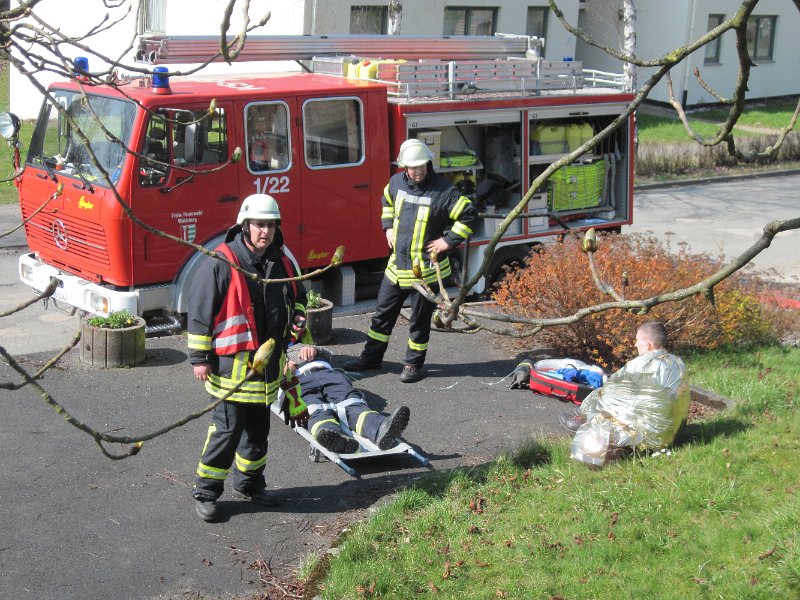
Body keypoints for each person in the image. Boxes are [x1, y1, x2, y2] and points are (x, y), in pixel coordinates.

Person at [187, 193, 309, 522]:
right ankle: (206, 491)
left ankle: (250, 483)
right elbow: (200, 312)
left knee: (257, 434)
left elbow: (299, 295)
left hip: (266, 372)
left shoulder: (283, 262)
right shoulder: (221, 261)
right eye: (258, 225)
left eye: (270, 225)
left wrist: (298, 316)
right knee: (226, 433)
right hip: (231, 371)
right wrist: (199, 357)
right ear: (245, 225)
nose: (265, 231)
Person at [344, 138, 479, 383]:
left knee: (419, 322)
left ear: (428, 163)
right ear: (404, 166)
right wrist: (388, 227)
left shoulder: (444, 192)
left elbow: (469, 215)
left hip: (425, 273)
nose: (417, 171)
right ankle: (371, 358)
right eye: (412, 167)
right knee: (381, 317)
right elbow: (386, 201)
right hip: (396, 268)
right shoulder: (396, 183)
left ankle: (413, 364)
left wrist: (447, 241)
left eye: (421, 166)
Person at [558, 320, 691, 466]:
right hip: (671, 434)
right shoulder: (677, 362)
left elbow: (609, 393)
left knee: (590, 423)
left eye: (637, 340)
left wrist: (589, 407)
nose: (635, 344)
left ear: (648, 345)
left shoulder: (640, 365)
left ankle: (616, 446)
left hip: (649, 437)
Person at [282, 343, 411, 453]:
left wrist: (315, 350)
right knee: (312, 408)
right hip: (296, 382)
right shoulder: (272, 353)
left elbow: (329, 355)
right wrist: (279, 368)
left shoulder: (303, 344)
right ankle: (334, 436)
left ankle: (379, 427)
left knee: (351, 401)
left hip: (325, 373)